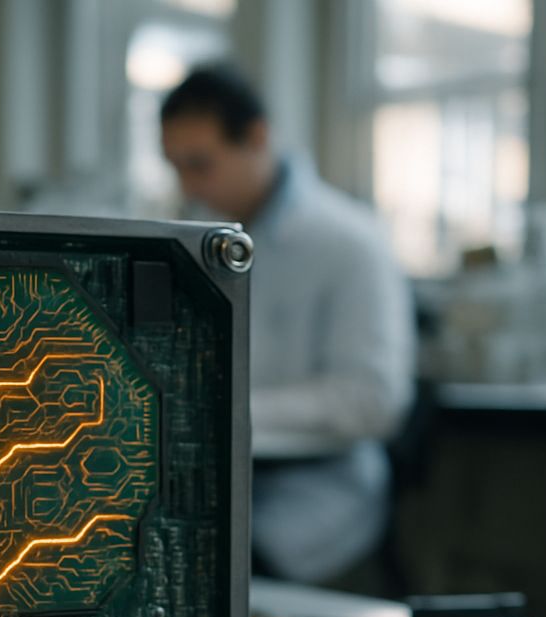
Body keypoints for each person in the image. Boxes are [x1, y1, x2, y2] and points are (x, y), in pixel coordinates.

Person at [160, 64, 414, 586]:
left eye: (200, 164)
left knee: (226, 572)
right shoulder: (197, 243)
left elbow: (373, 400)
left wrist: (225, 411)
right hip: (216, 468)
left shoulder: (349, 243)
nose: (188, 185)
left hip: (322, 476)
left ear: (256, 138)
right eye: (176, 167)